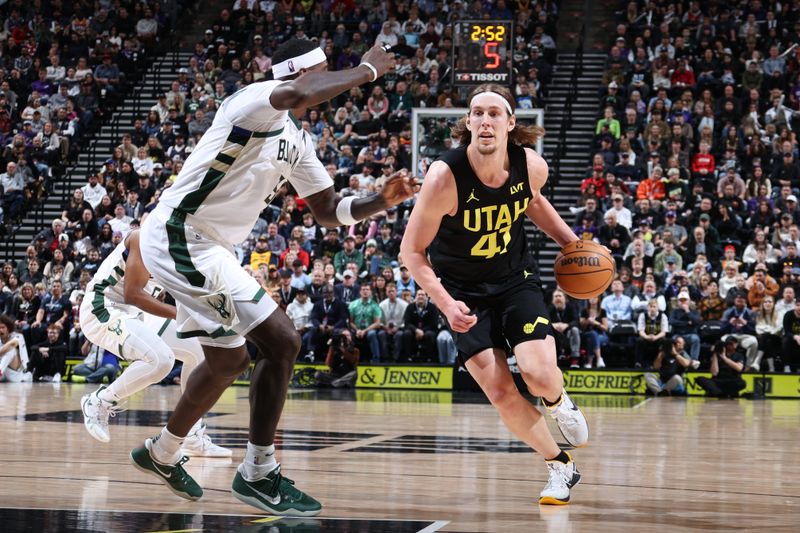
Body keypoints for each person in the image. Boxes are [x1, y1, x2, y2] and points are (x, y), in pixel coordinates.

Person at [134, 39, 409, 515]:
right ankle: (258, 472)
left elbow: (328, 211)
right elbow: (300, 93)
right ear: (301, 73)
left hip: (210, 248)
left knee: (228, 362)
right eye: (323, 72)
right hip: (179, 234)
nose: (329, 81)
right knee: (281, 342)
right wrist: (366, 70)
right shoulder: (253, 99)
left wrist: (381, 202)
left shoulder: (297, 140)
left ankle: (161, 452)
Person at [400, 84, 587, 505]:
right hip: (463, 294)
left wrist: (573, 245)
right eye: (477, 113)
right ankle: (561, 465)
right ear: (468, 124)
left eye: (494, 113)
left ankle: (558, 402)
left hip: (514, 279)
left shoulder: (531, 166)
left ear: (510, 123)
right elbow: (411, 252)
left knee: (539, 373)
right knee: (501, 392)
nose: (485, 120)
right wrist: (446, 305)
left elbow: (531, 201)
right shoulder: (444, 177)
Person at [78, 230, 230, 458]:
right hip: (103, 306)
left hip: (135, 313)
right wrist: (183, 315)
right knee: (161, 361)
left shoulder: (185, 254)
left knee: (200, 354)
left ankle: (190, 436)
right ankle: (99, 401)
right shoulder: (143, 237)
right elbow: (133, 294)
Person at [0, 315, 32, 382]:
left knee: (11, 349)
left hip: (14, 374)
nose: (1, 330)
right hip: (3, 374)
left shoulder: (19, 336)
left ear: (8, 328)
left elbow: (12, 344)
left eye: (3, 327)